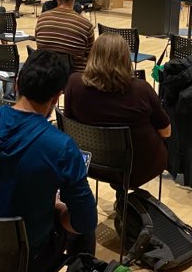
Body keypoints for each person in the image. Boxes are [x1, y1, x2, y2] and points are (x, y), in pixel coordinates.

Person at [0, 49, 98, 272]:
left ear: (18, 83)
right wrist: (57, 210)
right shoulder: (61, 147)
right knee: (84, 223)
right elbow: (85, 222)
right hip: (25, 262)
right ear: (57, 97)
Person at [64, 33, 170, 189]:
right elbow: (166, 131)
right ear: (126, 59)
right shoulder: (142, 89)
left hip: (91, 163)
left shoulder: (74, 83)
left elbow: (69, 123)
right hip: (136, 168)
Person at [35, 0, 94, 72]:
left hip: (46, 75)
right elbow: (90, 56)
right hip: (75, 78)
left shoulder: (42, 19)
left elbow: (39, 48)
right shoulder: (86, 25)